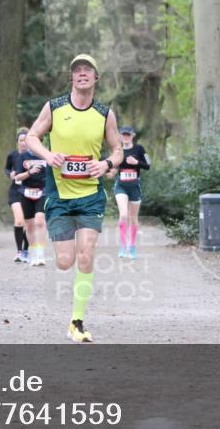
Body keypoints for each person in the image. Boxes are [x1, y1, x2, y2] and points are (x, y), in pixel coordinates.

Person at [25, 54, 123, 342]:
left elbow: (118, 150)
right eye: (77, 71)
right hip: (59, 195)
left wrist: (105, 164)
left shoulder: (105, 114)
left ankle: (76, 322)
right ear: (72, 78)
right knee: (65, 261)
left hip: (91, 195)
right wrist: (48, 154)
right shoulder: (54, 108)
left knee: (85, 254)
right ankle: (74, 317)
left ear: (95, 78)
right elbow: (32, 137)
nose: (82, 74)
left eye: (87, 70)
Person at [108, 125, 150, 259]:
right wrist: (112, 171)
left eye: (128, 135)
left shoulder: (139, 149)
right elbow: (113, 166)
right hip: (121, 186)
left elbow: (148, 165)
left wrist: (136, 162)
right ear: (120, 136)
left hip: (135, 186)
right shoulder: (117, 150)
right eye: (123, 135)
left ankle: (132, 246)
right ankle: (122, 245)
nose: (126, 137)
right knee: (124, 214)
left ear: (133, 136)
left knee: (133, 218)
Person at [15, 148, 48, 266]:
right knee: (29, 225)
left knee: (40, 221)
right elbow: (17, 178)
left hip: (42, 192)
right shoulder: (22, 156)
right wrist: (29, 172)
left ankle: (40, 254)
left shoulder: (46, 154)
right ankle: (33, 253)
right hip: (26, 193)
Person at [5, 129, 30, 263]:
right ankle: (19, 251)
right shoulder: (12, 156)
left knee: (28, 224)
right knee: (19, 221)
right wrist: (10, 174)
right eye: (21, 140)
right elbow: (7, 169)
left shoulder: (34, 157)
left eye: (26, 140)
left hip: (30, 192)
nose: (23, 143)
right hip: (15, 192)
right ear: (17, 142)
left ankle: (26, 250)